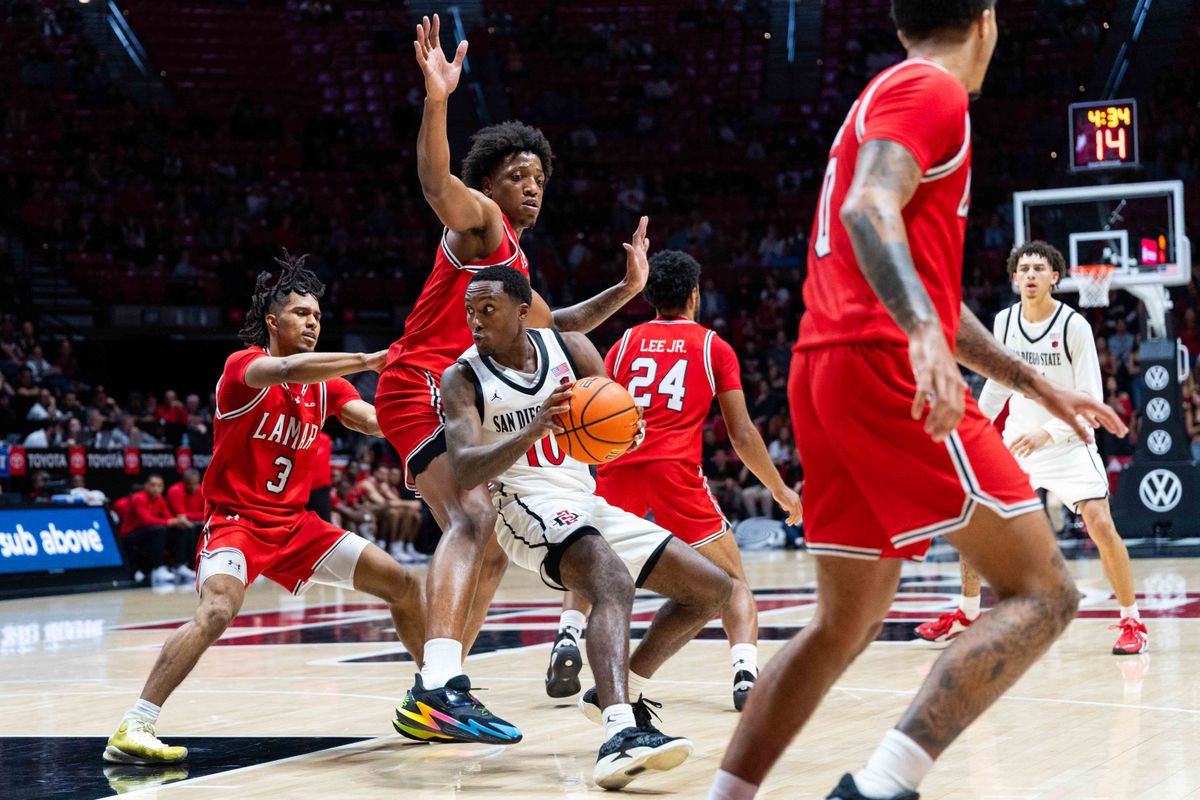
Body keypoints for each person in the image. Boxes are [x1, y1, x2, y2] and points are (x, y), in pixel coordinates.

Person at [708, 3, 1128, 799]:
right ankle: (879, 788)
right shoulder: (931, 92)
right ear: (987, 20)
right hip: (880, 364)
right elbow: (871, 210)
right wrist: (920, 336)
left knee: (844, 624)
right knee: (1044, 592)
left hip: (824, 368)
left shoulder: (886, 91)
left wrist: (1032, 381)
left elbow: (928, 288)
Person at [374, 15, 650, 744]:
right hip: (420, 386)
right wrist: (438, 100)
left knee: (491, 540)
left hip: (453, 393)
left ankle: (439, 686)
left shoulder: (515, 263)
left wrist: (627, 289)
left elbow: (557, 323)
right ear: (490, 183)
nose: (531, 187)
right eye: (517, 175)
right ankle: (438, 683)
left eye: (539, 177)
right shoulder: (483, 223)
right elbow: (436, 182)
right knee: (473, 519)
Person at [103, 253, 427, 766]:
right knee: (217, 611)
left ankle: (431, 697)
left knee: (404, 584)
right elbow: (287, 369)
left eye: (318, 316)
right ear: (274, 321)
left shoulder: (327, 386)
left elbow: (367, 420)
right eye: (302, 314)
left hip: (298, 527)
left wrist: (419, 410)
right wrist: (368, 360)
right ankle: (135, 725)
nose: (313, 323)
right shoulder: (243, 367)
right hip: (237, 522)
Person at [436, 266, 731, 787]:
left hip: (583, 501)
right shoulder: (462, 378)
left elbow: (614, 420)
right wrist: (533, 429)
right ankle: (619, 734)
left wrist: (628, 430)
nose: (475, 322)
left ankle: (622, 689)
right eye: (470, 313)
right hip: (522, 507)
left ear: (523, 312)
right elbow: (463, 469)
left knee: (710, 589)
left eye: (488, 311)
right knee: (611, 580)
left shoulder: (570, 349)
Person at [543, 250, 802, 711]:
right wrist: (780, 490)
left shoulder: (622, 344)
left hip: (618, 465)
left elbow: (593, 406)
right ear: (695, 295)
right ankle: (745, 673)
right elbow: (741, 434)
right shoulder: (712, 346)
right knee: (731, 580)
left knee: (590, 561)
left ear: (650, 297)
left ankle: (567, 637)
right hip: (674, 470)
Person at [915, 242, 1148, 654]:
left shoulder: (1073, 326)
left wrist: (1049, 434)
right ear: (1014, 277)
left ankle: (1132, 620)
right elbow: (998, 382)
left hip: (1069, 443)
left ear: (1055, 277)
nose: (1031, 275)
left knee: (1101, 524)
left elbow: (1090, 396)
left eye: (1039, 268)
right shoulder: (1004, 322)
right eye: (1024, 269)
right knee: (973, 516)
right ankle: (967, 613)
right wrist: (975, 427)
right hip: (1018, 443)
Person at [117, 474, 196, 587]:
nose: (156, 488)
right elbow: (146, 520)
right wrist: (171, 522)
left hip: (149, 531)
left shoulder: (159, 499)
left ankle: (180, 566)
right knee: (159, 529)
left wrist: (180, 521)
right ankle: (157, 569)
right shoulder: (138, 498)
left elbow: (168, 517)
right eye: (153, 485)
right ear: (146, 486)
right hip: (130, 534)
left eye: (159, 486)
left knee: (181, 529)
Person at [166, 469, 206, 564]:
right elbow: (180, 517)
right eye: (190, 484)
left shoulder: (202, 490)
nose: (193, 487)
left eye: (195, 483)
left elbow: (206, 514)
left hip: (195, 523)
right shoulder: (175, 490)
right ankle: (189, 564)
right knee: (188, 528)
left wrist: (189, 516)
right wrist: (196, 517)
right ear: (184, 482)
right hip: (175, 526)